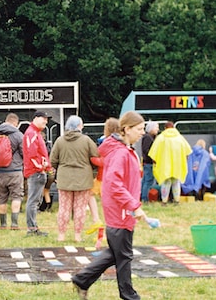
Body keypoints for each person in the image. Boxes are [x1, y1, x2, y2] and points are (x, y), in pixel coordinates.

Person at [72, 111, 149, 300]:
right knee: (123, 256)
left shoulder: (124, 150)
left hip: (123, 211)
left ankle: (82, 279)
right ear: (127, 129)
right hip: (121, 212)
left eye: (143, 129)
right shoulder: (120, 153)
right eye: (139, 129)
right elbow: (114, 184)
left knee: (117, 254)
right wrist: (133, 205)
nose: (142, 133)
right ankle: (129, 296)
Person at [50, 115, 99, 243]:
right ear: (79, 126)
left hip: (64, 179)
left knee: (64, 208)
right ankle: (77, 235)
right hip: (83, 179)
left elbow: (53, 160)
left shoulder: (60, 140)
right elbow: (95, 157)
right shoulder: (87, 140)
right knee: (80, 208)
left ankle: (61, 235)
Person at [0, 113, 25, 230]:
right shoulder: (19, 135)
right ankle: (14, 224)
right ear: (16, 123)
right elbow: (24, 153)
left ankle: (3, 224)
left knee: (1, 198)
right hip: (15, 171)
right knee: (16, 197)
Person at [22, 111, 53, 236]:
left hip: (39, 170)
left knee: (35, 200)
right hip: (36, 171)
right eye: (43, 119)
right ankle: (32, 228)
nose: (46, 122)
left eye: (47, 119)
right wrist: (41, 166)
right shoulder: (31, 133)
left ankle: (33, 227)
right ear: (35, 118)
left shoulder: (36, 133)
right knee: (33, 201)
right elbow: (31, 154)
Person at [148, 121, 192, 205]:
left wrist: (156, 162)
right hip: (177, 165)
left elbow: (153, 153)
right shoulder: (180, 138)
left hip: (164, 165)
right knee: (176, 182)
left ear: (165, 128)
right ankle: (176, 201)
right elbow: (187, 152)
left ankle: (164, 201)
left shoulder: (161, 138)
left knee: (166, 183)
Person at [140, 121, 159, 203]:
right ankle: (145, 198)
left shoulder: (148, 137)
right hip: (149, 163)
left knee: (145, 180)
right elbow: (146, 150)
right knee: (148, 181)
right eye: (156, 127)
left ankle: (141, 196)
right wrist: (153, 158)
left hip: (147, 162)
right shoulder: (148, 138)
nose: (158, 129)